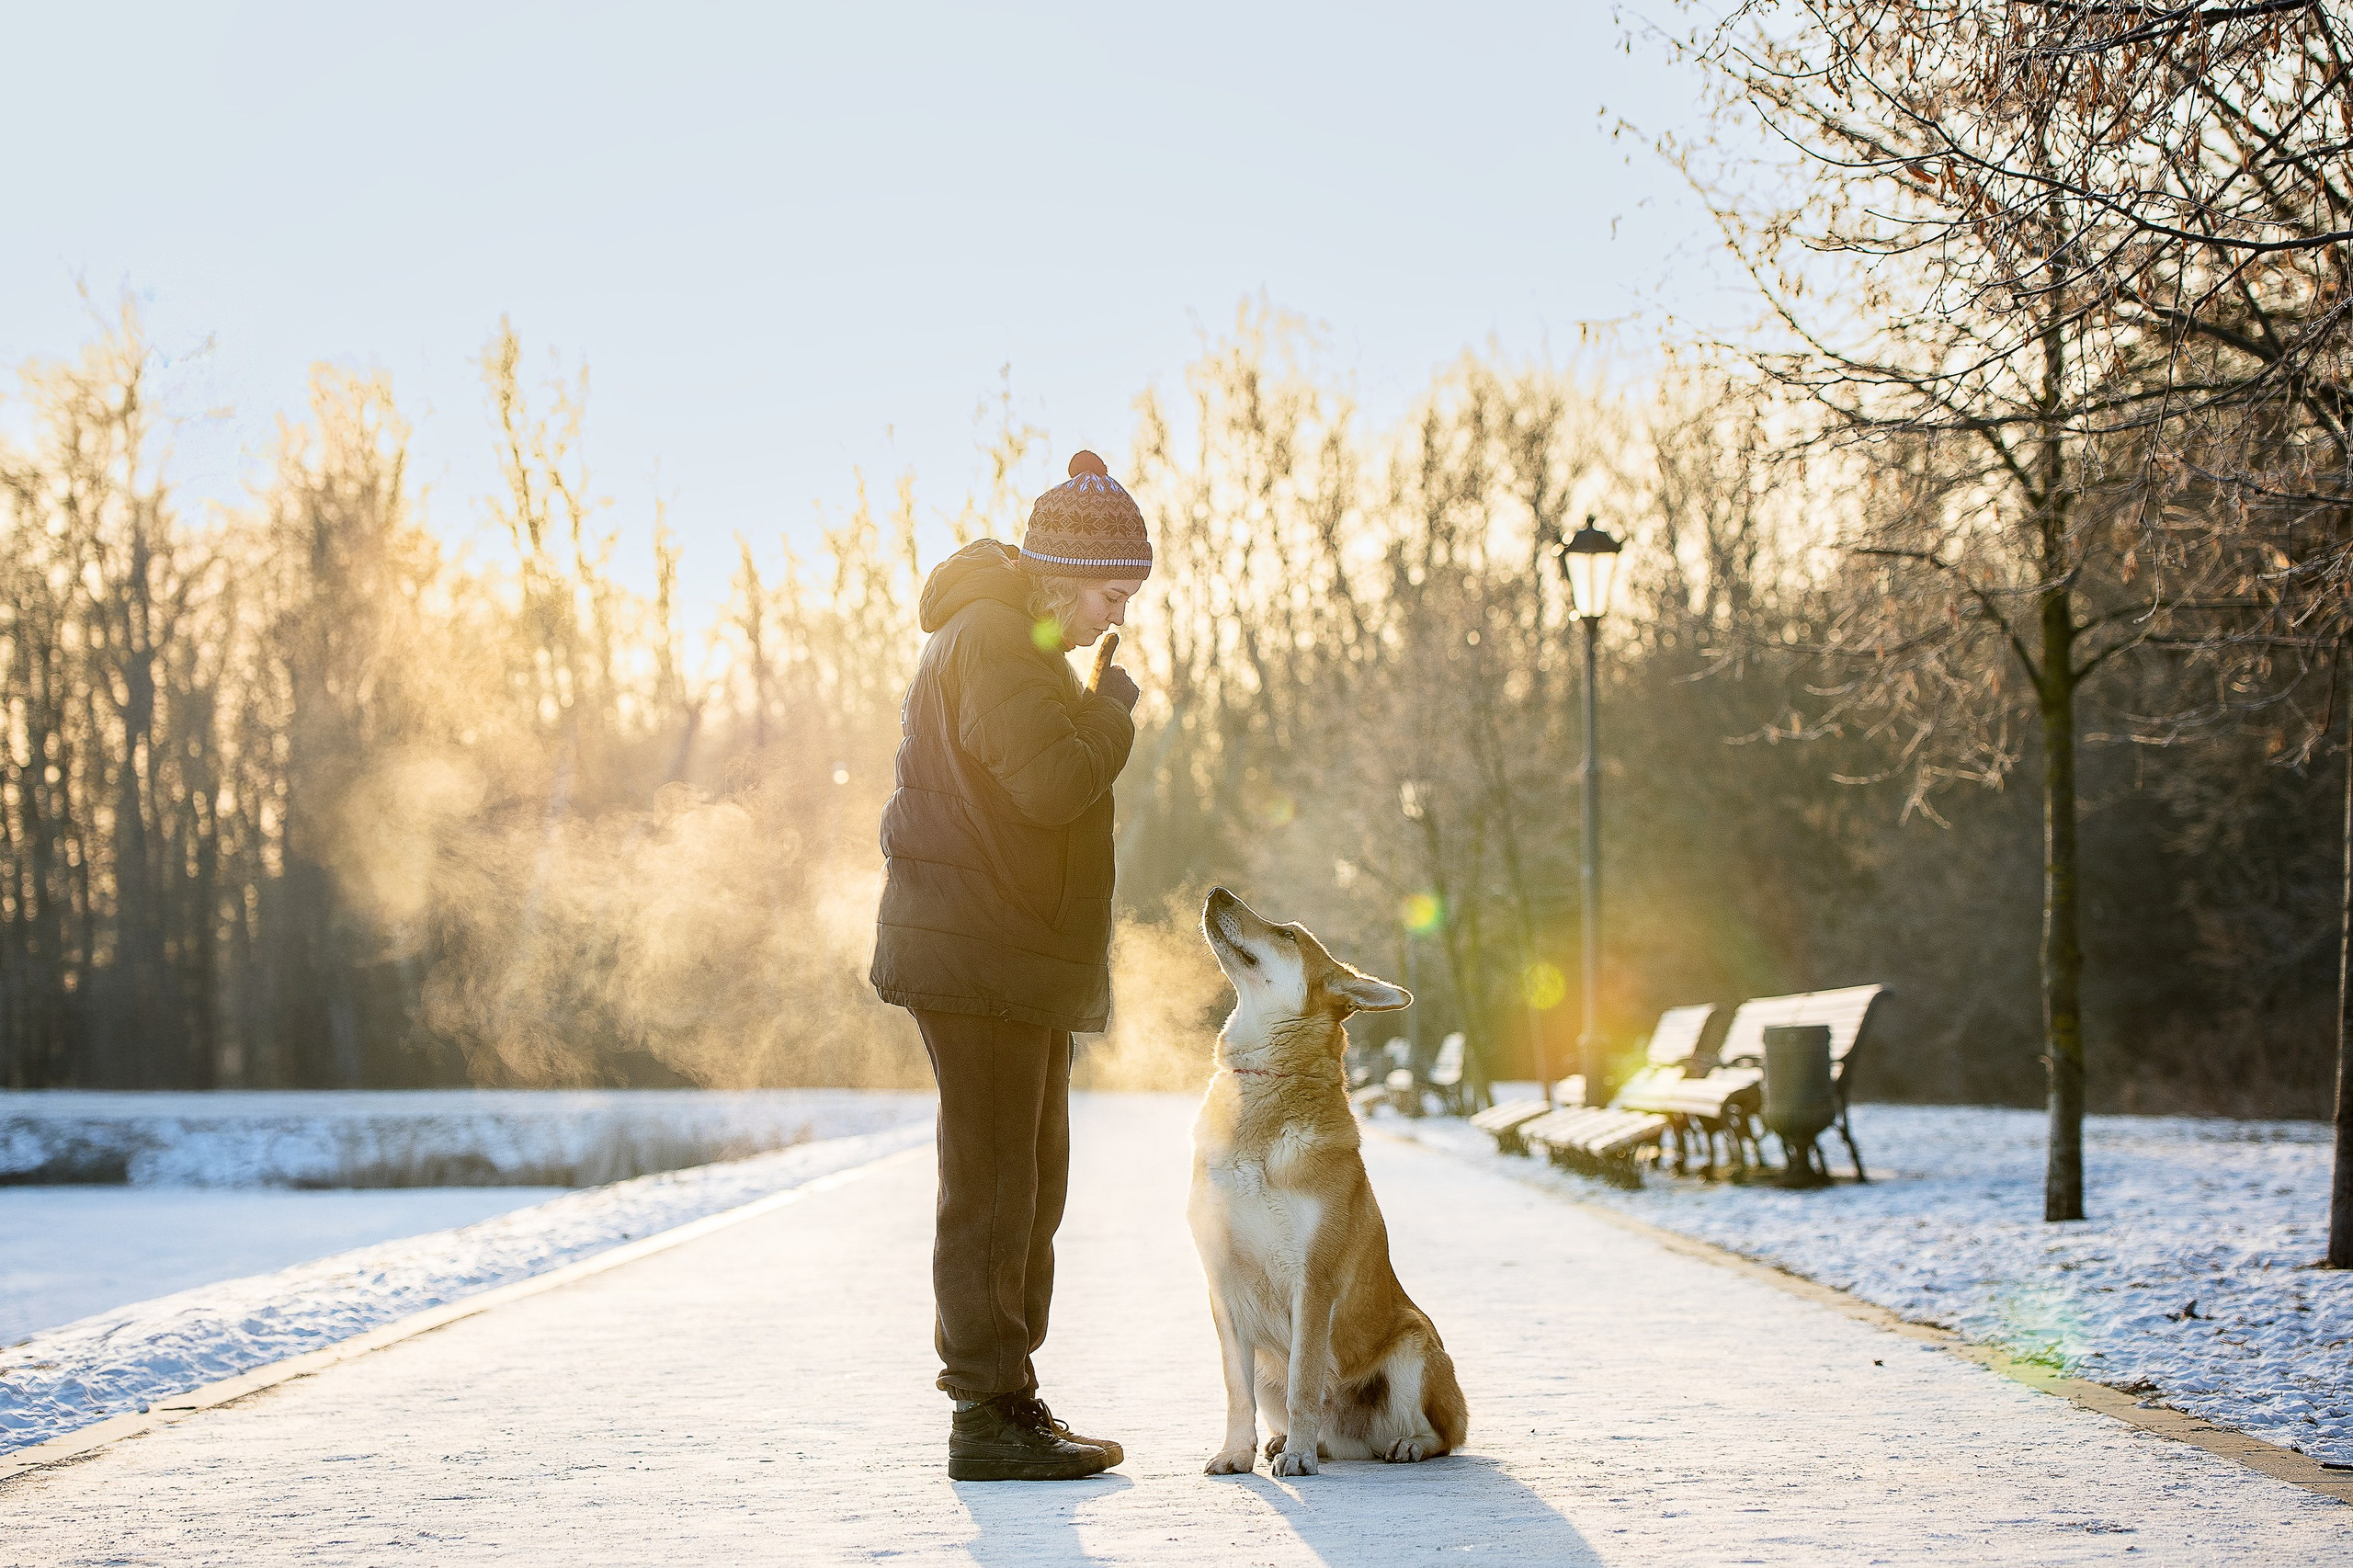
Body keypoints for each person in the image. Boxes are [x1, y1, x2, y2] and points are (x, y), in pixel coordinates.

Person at [870, 450, 1148, 1482]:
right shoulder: (988, 635)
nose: (1112, 612)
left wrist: (1083, 695)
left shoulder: (1010, 638)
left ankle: (1009, 1399)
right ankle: (985, 1414)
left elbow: (1030, 776)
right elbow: (1051, 782)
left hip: (1006, 948)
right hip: (978, 946)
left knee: (1028, 1181)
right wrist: (1110, 703)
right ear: (1058, 572)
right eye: (1108, 592)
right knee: (992, 1185)